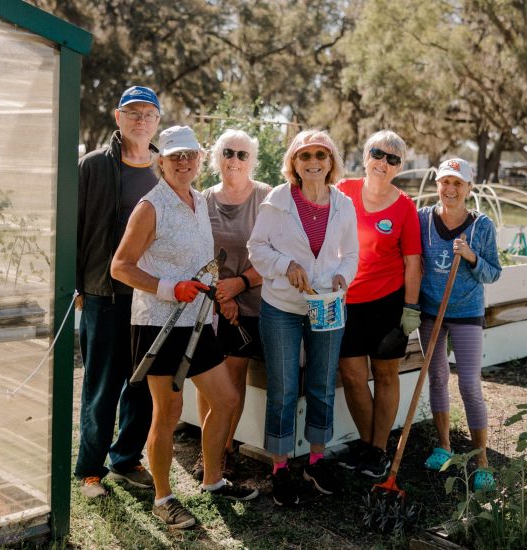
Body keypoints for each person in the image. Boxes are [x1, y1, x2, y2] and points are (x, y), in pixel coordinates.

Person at [111, 125, 258, 530]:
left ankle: (212, 481)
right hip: (158, 324)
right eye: (175, 156)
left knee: (225, 400)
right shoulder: (150, 206)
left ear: (198, 159)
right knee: (169, 411)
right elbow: (120, 266)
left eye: (190, 155)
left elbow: (200, 263)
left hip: (198, 320)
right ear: (161, 161)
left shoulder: (199, 201)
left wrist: (217, 303)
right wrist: (168, 287)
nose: (183, 162)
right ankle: (164, 498)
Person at [248, 129, 358, 506]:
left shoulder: (343, 204)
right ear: (293, 163)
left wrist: (344, 276)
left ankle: (314, 460)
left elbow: (351, 255)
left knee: (323, 383)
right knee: (283, 388)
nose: (313, 162)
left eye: (321, 155)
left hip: (326, 305)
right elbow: (256, 249)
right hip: (281, 306)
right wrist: (285, 265)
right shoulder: (277, 200)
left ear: (331, 163)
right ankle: (280, 468)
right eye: (304, 155)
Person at [75, 85, 161, 498]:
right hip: (102, 294)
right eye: (132, 112)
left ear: (157, 121)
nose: (140, 119)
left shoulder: (166, 169)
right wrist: (76, 286)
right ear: (117, 117)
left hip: (151, 297)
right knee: (101, 386)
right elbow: (74, 227)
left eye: (148, 113)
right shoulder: (93, 166)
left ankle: (125, 459)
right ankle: (91, 470)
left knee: (142, 385)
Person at [336, 130, 422, 478]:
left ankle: (378, 449)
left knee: (386, 376)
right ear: (365, 155)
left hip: (388, 304)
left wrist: (411, 308)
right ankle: (368, 443)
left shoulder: (404, 206)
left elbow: (413, 262)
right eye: (377, 154)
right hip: (345, 302)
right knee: (354, 377)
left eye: (392, 159)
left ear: (399, 167)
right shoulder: (343, 190)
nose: (383, 163)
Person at [191, 130, 271, 481]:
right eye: (228, 153)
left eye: (242, 155)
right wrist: (222, 296)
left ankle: (224, 451)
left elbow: (277, 254)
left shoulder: (266, 198)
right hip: (210, 304)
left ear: (251, 160)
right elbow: (196, 254)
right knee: (209, 378)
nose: (234, 160)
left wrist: (239, 285)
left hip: (252, 304)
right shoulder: (203, 200)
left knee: (233, 377)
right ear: (216, 158)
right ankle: (206, 451)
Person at [418, 158, 501, 491]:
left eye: (458, 184)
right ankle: (444, 447)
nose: (450, 189)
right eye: (445, 182)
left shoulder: (482, 226)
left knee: (468, 384)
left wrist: (471, 257)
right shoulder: (422, 219)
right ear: (437, 184)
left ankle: (482, 461)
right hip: (431, 312)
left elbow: (494, 272)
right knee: (437, 378)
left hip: (466, 312)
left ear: (469, 188)